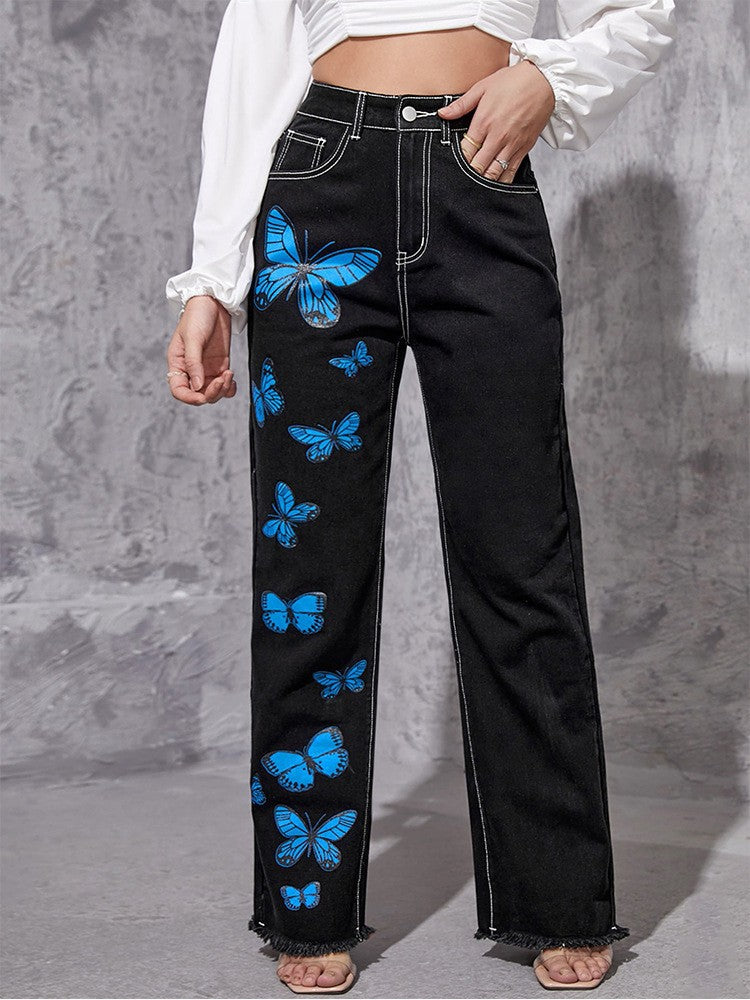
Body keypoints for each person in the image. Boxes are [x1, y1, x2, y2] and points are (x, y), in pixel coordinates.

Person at [165, 0, 676, 993]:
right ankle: (306, 904)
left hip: (482, 178)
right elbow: (254, 55)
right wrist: (210, 282)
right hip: (319, 187)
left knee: (521, 555)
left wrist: (548, 77)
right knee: (310, 568)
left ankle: (558, 897)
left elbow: (640, 11)